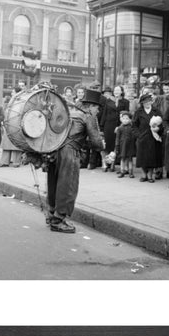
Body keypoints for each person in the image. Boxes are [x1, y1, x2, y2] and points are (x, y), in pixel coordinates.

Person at [47, 89, 105, 233]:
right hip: (69, 153)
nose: (98, 111)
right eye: (98, 108)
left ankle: (51, 214)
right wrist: (103, 146)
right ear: (91, 106)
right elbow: (96, 142)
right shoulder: (88, 116)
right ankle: (58, 220)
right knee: (68, 185)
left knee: (54, 183)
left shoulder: (68, 112)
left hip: (54, 150)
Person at [132, 93, 163, 182]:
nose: (147, 103)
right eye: (145, 102)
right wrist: (138, 135)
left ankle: (150, 175)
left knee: (152, 157)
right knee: (142, 157)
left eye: (149, 101)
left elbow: (162, 124)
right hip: (142, 137)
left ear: (151, 101)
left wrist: (158, 129)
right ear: (142, 103)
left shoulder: (156, 111)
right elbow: (134, 125)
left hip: (153, 137)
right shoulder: (138, 112)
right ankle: (143, 174)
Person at [0, 86, 23, 167]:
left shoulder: (21, 101)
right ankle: (5, 161)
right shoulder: (11, 100)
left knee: (16, 143)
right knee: (6, 143)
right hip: (8, 123)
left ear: (17, 93)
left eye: (13, 92)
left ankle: (16, 162)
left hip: (16, 124)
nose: (11, 93)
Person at [114, 111, 135, 178]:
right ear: (121, 119)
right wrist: (117, 146)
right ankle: (122, 171)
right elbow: (117, 138)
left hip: (130, 145)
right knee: (122, 159)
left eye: (127, 119)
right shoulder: (119, 128)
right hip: (122, 145)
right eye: (123, 118)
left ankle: (131, 172)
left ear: (130, 120)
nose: (125, 120)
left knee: (130, 159)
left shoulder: (132, 128)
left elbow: (134, 136)